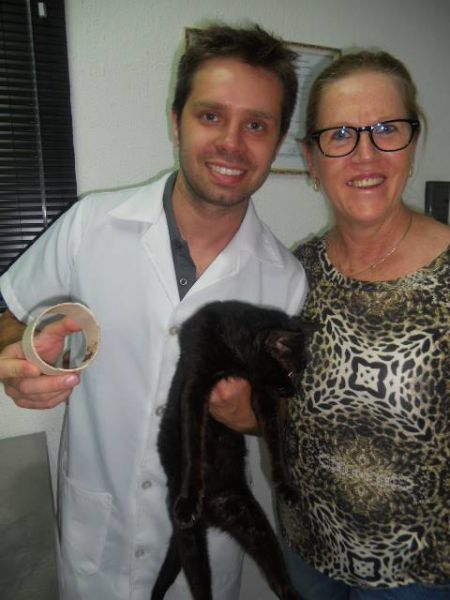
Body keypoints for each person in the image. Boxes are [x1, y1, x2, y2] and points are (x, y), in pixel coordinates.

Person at [0, 24, 308, 600]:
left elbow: (284, 417)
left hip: (204, 548)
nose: (232, 144)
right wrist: (15, 359)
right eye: (210, 116)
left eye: (256, 125)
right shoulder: (91, 225)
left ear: (278, 139)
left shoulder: (286, 280)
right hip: (96, 539)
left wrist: (251, 417)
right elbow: (12, 315)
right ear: (175, 121)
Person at [213, 50, 450, 599]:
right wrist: (251, 416)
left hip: (421, 575)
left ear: (412, 143)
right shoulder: (294, 275)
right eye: (340, 134)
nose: (365, 154)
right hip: (307, 550)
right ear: (312, 159)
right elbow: (295, 415)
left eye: (386, 129)